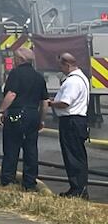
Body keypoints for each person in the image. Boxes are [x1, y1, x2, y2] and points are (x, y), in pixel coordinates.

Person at [0, 47, 47, 190]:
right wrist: (41, 120)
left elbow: (11, 94)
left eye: (14, 58)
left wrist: (1, 110)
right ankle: (30, 183)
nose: (13, 60)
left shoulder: (15, 74)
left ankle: (8, 181)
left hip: (16, 114)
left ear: (20, 59)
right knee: (31, 149)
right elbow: (44, 102)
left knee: (11, 148)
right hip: (33, 115)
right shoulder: (39, 77)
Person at [47, 52, 91, 199]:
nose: (60, 69)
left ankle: (77, 189)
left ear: (67, 64)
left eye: (61, 65)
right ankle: (79, 187)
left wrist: (51, 103)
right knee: (78, 155)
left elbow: (66, 102)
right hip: (78, 121)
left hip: (71, 121)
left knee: (72, 156)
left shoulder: (72, 81)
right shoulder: (81, 78)